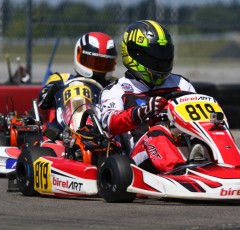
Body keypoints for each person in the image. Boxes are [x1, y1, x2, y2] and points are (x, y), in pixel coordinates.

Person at [100, 20, 197, 174]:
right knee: (158, 133)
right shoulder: (116, 90)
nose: (161, 61)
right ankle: (178, 173)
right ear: (135, 54)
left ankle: (232, 164)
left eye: (164, 54)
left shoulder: (181, 84)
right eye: (156, 56)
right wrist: (142, 111)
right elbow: (111, 124)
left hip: (182, 147)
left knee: (212, 126)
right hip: (138, 158)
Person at [38, 32, 118, 128]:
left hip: (102, 135)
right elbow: (42, 101)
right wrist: (52, 90)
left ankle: (88, 131)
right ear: (79, 54)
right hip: (61, 135)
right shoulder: (63, 78)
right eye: (93, 61)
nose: (98, 67)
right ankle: (76, 130)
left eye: (104, 63)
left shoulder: (115, 84)